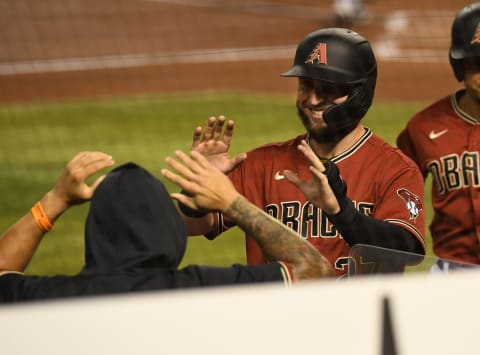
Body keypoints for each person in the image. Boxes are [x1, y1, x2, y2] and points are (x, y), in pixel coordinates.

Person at [178, 27, 426, 277]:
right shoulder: (262, 164)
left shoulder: (394, 169)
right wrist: (197, 187)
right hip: (280, 312)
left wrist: (341, 212)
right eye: (306, 85)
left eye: (328, 88)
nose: (313, 100)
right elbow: (189, 225)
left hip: (357, 312)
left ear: (359, 93)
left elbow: (405, 250)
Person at [0, 151, 334, 303]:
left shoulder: (51, 298)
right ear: (169, 229)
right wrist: (231, 201)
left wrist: (55, 201)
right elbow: (315, 271)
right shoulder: (203, 291)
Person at [396, 3, 480, 269]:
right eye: (478, 63)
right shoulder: (424, 127)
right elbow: (397, 193)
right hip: (452, 272)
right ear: (459, 66)